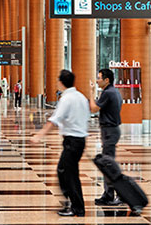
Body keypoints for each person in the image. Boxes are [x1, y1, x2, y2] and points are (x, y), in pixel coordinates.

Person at [31, 70, 89, 217]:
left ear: (61, 82)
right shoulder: (81, 97)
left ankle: (76, 207)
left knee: (66, 173)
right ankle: (75, 205)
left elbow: (54, 120)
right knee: (68, 172)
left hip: (72, 140)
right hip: (80, 139)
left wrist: (39, 135)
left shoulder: (67, 98)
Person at [89, 68, 123, 206]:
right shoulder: (115, 92)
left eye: (99, 78)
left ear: (106, 80)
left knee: (109, 165)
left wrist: (91, 93)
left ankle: (118, 194)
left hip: (109, 131)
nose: (97, 81)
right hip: (112, 130)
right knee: (108, 164)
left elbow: (93, 108)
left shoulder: (107, 92)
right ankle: (108, 194)